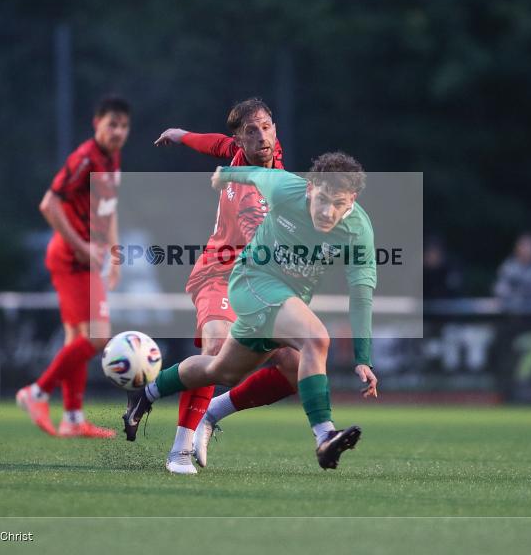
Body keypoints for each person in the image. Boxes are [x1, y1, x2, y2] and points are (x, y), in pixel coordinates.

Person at [124, 152, 379, 470]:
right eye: (322, 199)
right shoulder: (286, 188)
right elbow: (254, 173)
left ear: (351, 199)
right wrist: (223, 174)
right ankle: (324, 436)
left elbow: (361, 295)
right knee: (316, 339)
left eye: (338, 203)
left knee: (222, 370)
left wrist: (363, 357)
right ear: (311, 188)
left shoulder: (359, 232)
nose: (327, 211)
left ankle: (146, 392)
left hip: (287, 297)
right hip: (252, 280)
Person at [152, 98, 300, 474]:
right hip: (221, 273)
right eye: (252, 131)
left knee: (298, 367)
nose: (262, 136)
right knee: (217, 349)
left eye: (267, 126)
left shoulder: (261, 151)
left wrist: (180, 135)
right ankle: (180, 448)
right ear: (241, 139)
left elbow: (212, 142)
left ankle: (213, 414)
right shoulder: (242, 185)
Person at [15, 95, 130, 438]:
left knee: (77, 339)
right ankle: (36, 392)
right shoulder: (84, 158)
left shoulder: (112, 159)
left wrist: (114, 254)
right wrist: (81, 246)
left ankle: (72, 419)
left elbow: (108, 209)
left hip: (85, 258)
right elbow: (49, 204)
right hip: (70, 258)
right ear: (96, 123)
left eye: (124, 126)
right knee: (97, 337)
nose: (119, 131)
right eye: (112, 124)